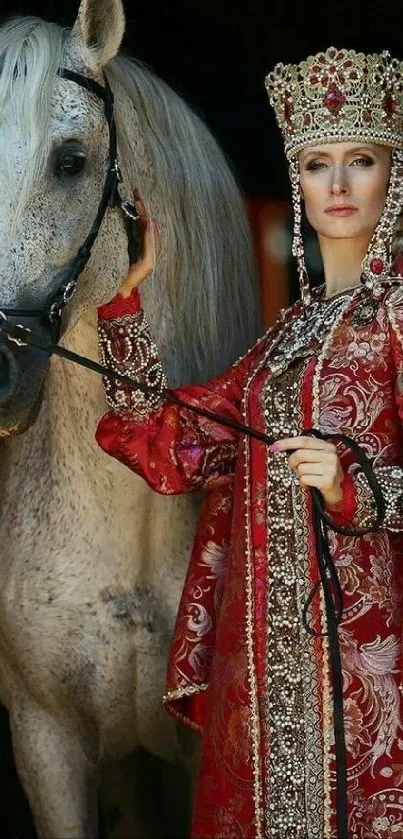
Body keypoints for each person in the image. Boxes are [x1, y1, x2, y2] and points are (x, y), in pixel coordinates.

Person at [96, 46, 403, 839]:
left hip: (374, 663)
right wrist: (125, 309)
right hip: (263, 678)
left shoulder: (397, 317)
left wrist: (353, 484)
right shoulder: (282, 342)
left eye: (360, 161)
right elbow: (170, 444)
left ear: (391, 175)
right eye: (315, 164)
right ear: (296, 181)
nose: (337, 185)